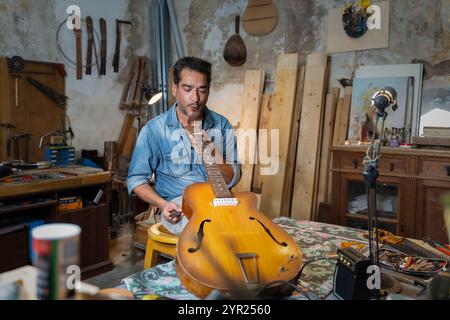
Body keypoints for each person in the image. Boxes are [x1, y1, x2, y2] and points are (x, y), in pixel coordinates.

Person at [127, 57, 241, 234]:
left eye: (202, 90)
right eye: (187, 89)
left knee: (251, 230)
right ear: (175, 89)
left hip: (220, 201)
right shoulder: (154, 130)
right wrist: (162, 204)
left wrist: (208, 150)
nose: (195, 98)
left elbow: (233, 177)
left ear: (208, 91)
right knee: (208, 234)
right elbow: (136, 180)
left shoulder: (221, 124)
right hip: (179, 205)